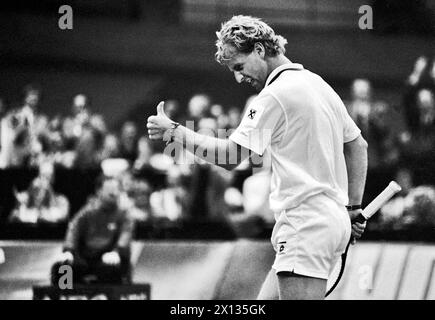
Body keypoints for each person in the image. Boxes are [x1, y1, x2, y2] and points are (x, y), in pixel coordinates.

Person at [147, 15, 367, 300]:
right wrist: (353, 207)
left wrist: (175, 132)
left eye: (239, 67)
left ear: (260, 50)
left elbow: (230, 156)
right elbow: (358, 146)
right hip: (327, 222)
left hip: (305, 226)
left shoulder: (273, 95)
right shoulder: (319, 84)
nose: (239, 77)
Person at [50, 177, 135, 285]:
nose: (114, 193)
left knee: (111, 268)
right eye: (110, 190)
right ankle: (65, 296)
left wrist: (116, 251)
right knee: (63, 268)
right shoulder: (87, 212)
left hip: (111, 258)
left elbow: (126, 235)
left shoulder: (124, 214)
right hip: (86, 258)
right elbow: (73, 230)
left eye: (117, 189)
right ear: (99, 191)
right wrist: (68, 251)